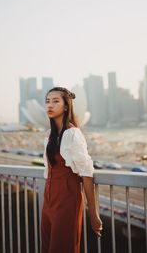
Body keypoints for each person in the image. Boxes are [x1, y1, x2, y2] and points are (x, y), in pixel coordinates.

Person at [41, 86, 102, 253]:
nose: (50, 105)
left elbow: (87, 174)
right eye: (47, 101)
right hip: (48, 200)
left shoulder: (72, 134)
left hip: (67, 200)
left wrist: (93, 215)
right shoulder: (49, 135)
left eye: (55, 101)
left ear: (66, 106)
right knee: (46, 248)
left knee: (62, 248)